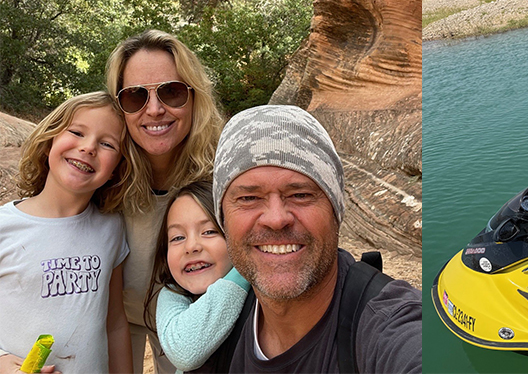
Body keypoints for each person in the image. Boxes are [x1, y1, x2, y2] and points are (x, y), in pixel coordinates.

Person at [211, 104, 421, 372]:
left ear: (335, 210)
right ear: (223, 218)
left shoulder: (391, 326)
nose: (276, 219)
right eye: (249, 198)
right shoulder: (219, 331)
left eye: (300, 194)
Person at [105, 29, 225, 374]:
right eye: (135, 97)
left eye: (171, 92)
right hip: (111, 317)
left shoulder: (224, 176)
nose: (154, 110)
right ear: (119, 106)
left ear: (194, 96)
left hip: (190, 317)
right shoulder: (103, 174)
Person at [0, 92, 140, 373]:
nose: (88, 148)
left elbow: (113, 323)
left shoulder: (111, 229)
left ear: (117, 169)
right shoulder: (5, 227)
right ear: (50, 139)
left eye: (107, 144)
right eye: (77, 132)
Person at [143, 181, 249, 373]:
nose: (191, 246)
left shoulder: (262, 299)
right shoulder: (172, 294)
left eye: (208, 232)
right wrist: (245, 267)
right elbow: (186, 351)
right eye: (177, 237)